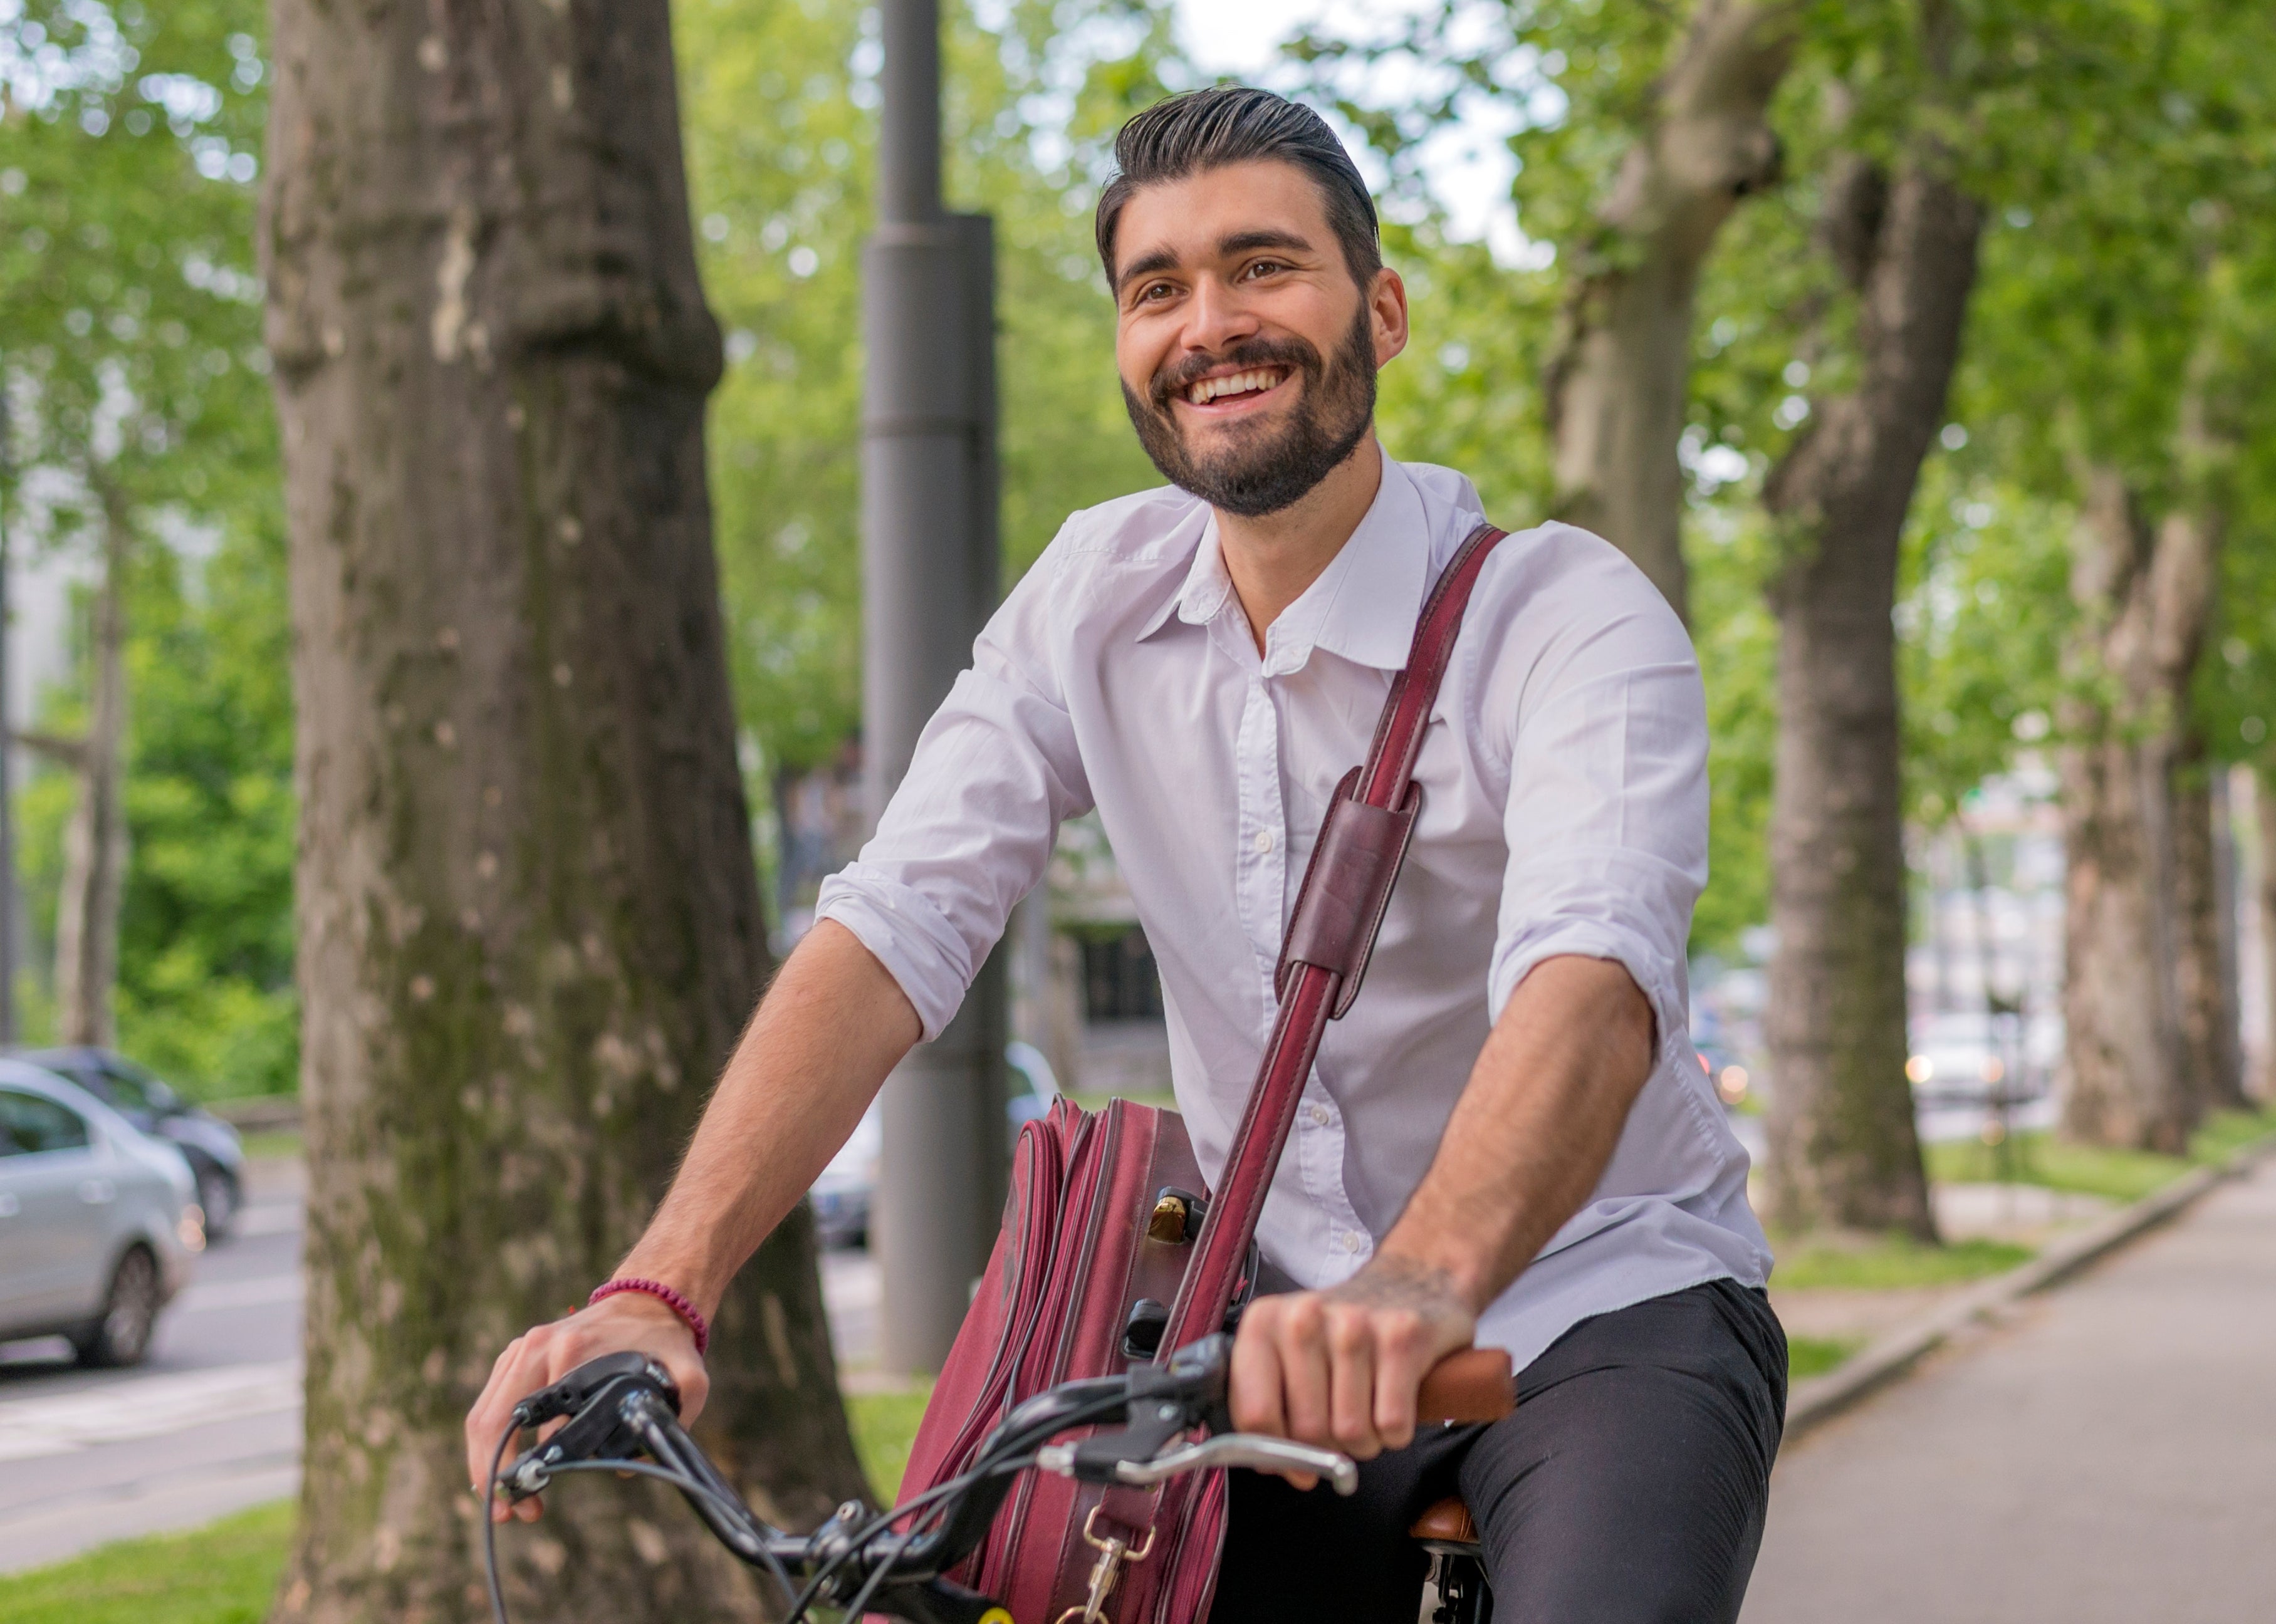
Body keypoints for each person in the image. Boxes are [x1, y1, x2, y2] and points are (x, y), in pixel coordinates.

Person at [462, 86, 1782, 1623]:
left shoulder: (1564, 616)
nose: (1207, 322)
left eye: (1262, 266)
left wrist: (1419, 1283)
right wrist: (658, 1283)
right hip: (1258, 1332)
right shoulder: (1092, 593)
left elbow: (1595, 972)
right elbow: (897, 923)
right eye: (1156, 288)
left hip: (1600, 1303)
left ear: (1384, 309)